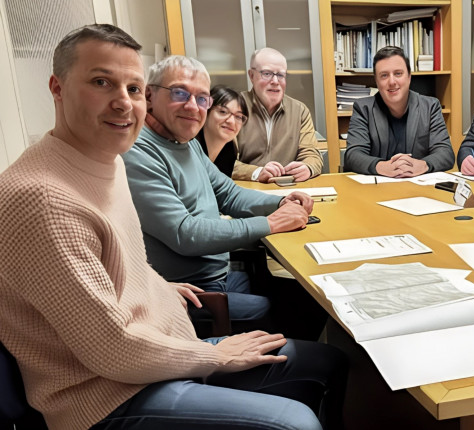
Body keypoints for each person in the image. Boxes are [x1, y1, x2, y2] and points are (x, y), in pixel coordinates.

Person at [0, 23, 345, 430]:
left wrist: (157, 285)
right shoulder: (43, 198)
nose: (123, 103)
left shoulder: (105, 161)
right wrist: (216, 356)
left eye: (131, 88)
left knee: (329, 362)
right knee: (296, 421)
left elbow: (120, 262)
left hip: (161, 347)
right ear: (57, 88)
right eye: (101, 82)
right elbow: (111, 349)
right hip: (104, 394)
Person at [122, 55, 314, 323]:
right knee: (302, 311)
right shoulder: (139, 151)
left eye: (202, 99)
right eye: (180, 93)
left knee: (308, 294)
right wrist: (270, 224)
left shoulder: (185, 142)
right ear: (149, 96)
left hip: (218, 275)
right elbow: (184, 233)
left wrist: (280, 203)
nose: (193, 106)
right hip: (188, 293)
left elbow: (228, 193)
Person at [343, 46, 454, 177]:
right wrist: (382, 167)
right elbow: (353, 155)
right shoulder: (363, 108)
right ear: (376, 81)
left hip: (419, 189)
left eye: (398, 74)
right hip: (377, 190)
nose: (392, 81)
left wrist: (423, 165)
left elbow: (445, 153)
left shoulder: (430, 107)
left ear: (409, 77)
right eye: (384, 75)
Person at [234, 47, 324, 183]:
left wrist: (308, 167)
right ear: (251, 75)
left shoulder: (300, 111)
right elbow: (221, 162)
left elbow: (312, 154)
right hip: (245, 190)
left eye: (281, 75)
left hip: (288, 189)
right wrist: (256, 172)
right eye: (267, 73)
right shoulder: (233, 108)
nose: (275, 81)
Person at [197, 85, 248, 177]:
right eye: (223, 112)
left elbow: (222, 188)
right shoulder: (190, 146)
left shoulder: (229, 149)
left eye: (238, 116)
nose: (231, 121)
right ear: (206, 112)